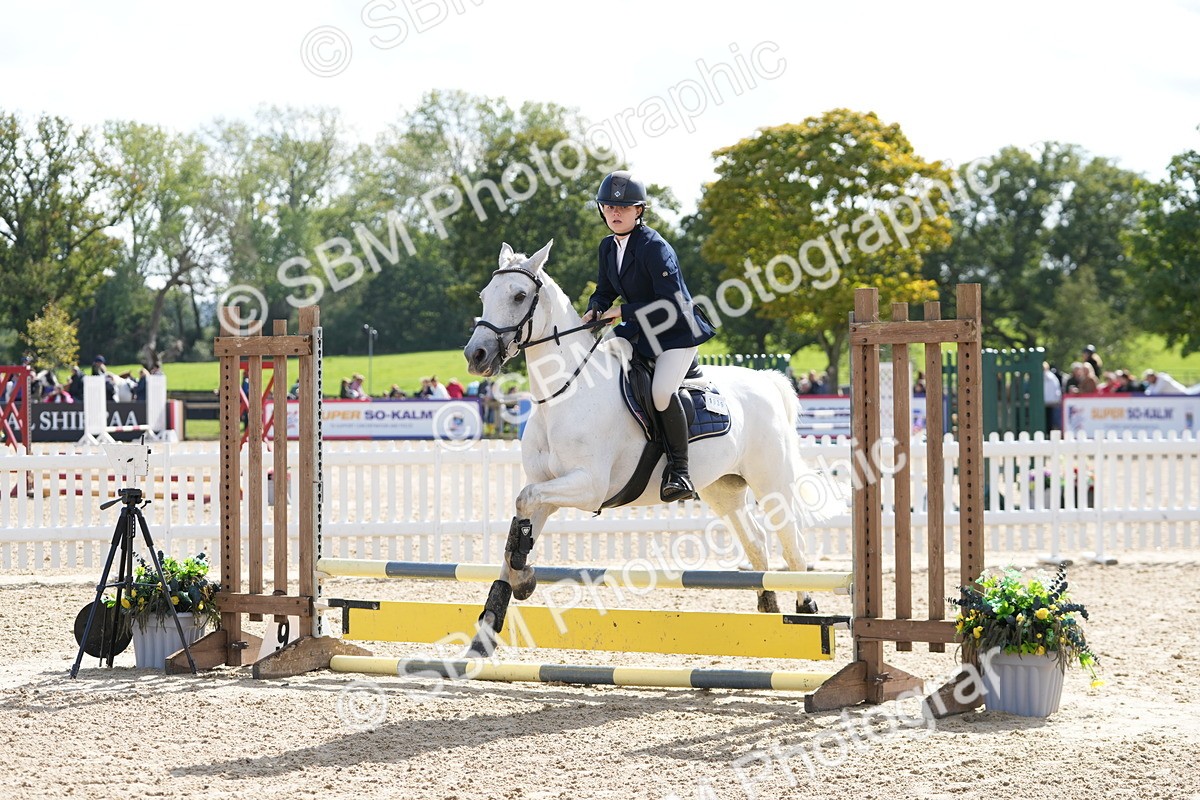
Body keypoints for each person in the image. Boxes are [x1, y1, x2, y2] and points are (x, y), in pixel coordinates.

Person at [580, 171, 716, 502]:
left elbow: (670, 303)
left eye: (623, 208)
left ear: (639, 210)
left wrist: (622, 313)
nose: (615, 213)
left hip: (675, 333)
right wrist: (596, 308)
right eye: (609, 206)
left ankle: (680, 472)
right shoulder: (607, 246)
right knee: (600, 360)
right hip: (641, 330)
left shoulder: (655, 247)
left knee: (660, 392)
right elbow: (606, 288)